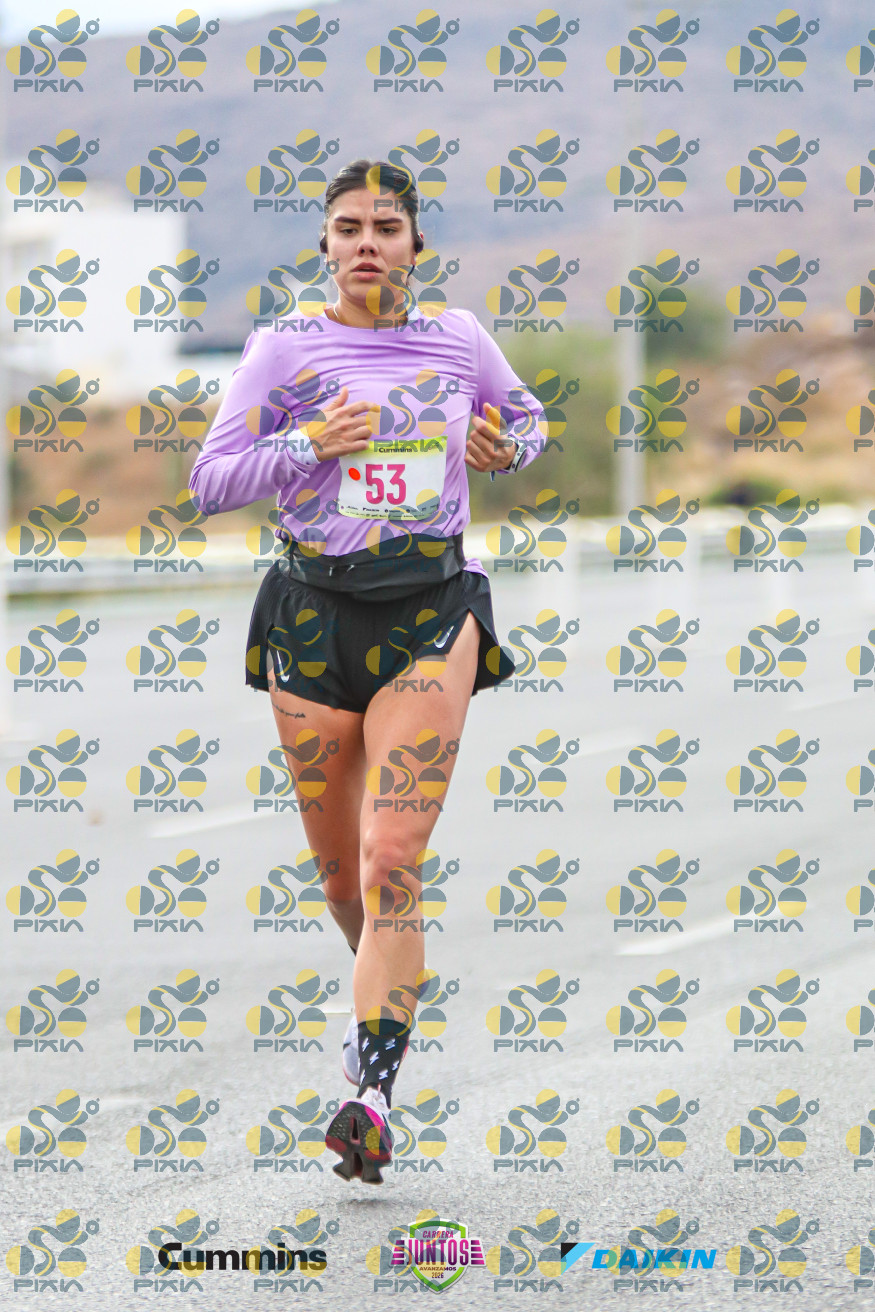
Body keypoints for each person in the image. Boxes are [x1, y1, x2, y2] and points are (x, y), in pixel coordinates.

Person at [189, 158, 545, 1183]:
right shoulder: (282, 348)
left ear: (414, 246)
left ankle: (371, 1095)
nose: (365, 245)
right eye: (347, 228)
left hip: (430, 609)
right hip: (311, 615)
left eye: (385, 228)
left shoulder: (459, 338)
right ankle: (375, 1005)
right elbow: (210, 481)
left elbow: (528, 424)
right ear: (325, 244)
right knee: (343, 876)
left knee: (392, 856)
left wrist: (507, 448)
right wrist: (305, 442)